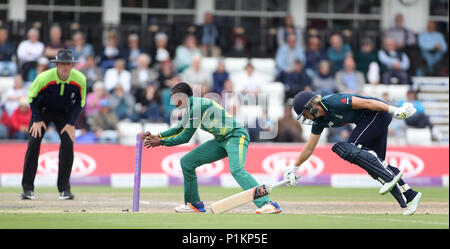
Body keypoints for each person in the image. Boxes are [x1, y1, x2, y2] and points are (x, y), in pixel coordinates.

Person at [142, 82, 282, 214]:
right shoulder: (191, 108)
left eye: (174, 97)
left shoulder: (197, 106)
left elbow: (185, 137)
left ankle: (268, 203)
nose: (172, 101)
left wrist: (161, 142)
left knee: (237, 170)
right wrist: (157, 135)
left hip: (236, 136)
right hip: (221, 140)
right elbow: (178, 128)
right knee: (187, 162)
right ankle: (194, 204)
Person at [284, 90, 423, 215]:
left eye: (305, 113)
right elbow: (309, 148)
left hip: (378, 113)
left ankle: (392, 174)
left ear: (311, 105)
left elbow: (367, 102)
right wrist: (294, 168)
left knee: (350, 147)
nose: (306, 117)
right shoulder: (319, 122)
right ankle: (410, 195)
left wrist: (394, 110)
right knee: (375, 167)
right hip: (367, 122)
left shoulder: (334, 102)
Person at [20, 49, 87, 200]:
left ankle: (64, 189)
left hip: (64, 114)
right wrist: (37, 119)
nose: (65, 68)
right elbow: (31, 98)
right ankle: (27, 189)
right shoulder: (44, 77)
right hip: (42, 112)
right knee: (33, 143)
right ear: (56, 64)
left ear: (72, 65)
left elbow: (80, 103)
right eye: (62, 64)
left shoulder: (80, 79)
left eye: (68, 64)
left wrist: (71, 123)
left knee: (68, 144)